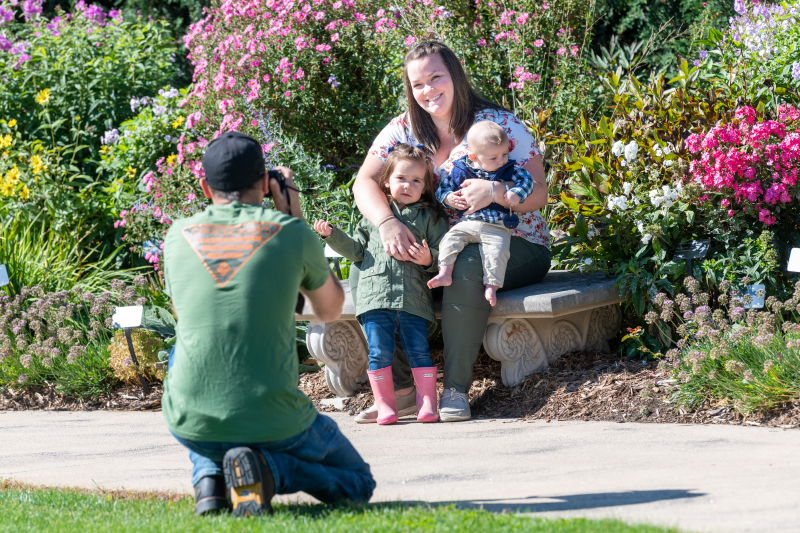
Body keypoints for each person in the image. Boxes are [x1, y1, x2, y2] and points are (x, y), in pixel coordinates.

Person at [161, 131, 375, 517]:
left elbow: (186, 313)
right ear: (265, 183)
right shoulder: (290, 233)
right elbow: (329, 310)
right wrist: (293, 218)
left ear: (204, 187)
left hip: (190, 418)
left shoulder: (177, 236)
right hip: (276, 421)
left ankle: (209, 479)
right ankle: (267, 472)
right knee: (358, 481)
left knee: (186, 343)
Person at [352, 41, 551, 424]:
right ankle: (402, 392)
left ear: (455, 75)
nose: (428, 90)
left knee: (466, 263)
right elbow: (363, 182)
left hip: (513, 242)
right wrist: (388, 223)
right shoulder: (403, 130)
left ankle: (457, 389)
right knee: (372, 262)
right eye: (418, 84)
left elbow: (539, 191)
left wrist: (496, 192)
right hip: (437, 246)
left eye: (435, 77)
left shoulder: (500, 126)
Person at [313, 144, 449, 425]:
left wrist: (428, 259)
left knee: (419, 350)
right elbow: (356, 251)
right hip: (375, 298)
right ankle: (386, 405)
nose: (408, 185)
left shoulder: (431, 219)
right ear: (386, 181)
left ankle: (427, 404)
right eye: (401, 178)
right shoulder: (372, 219)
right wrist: (332, 235)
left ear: (424, 188)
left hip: (413, 299)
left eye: (416, 181)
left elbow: (444, 254)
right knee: (378, 352)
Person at [428, 120, 535, 306]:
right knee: (449, 240)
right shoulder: (460, 170)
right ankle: (444, 273)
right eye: (493, 158)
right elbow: (442, 189)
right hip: (467, 224)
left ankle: (491, 287)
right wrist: (448, 198)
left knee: (498, 252)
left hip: (496, 225)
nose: (501, 160)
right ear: (474, 157)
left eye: (504, 154)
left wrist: (516, 193)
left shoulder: (508, 169)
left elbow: (527, 181)